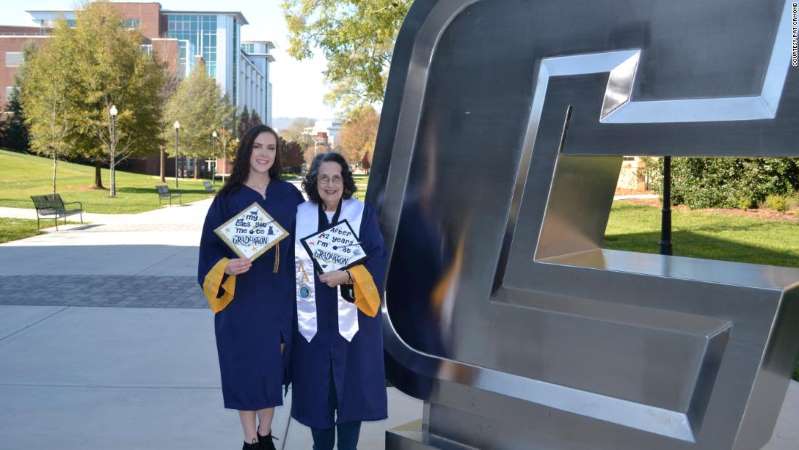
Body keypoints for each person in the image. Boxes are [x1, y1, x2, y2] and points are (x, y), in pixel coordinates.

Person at [198, 125, 304, 450]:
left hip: (280, 298)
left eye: (271, 148)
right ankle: (250, 440)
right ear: (247, 150)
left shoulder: (289, 195)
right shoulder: (228, 198)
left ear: (276, 154)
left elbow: (307, 241)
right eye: (258, 146)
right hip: (241, 300)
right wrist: (226, 266)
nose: (264, 154)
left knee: (272, 367)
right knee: (244, 368)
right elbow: (209, 251)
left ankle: (265, 434)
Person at [291, 152, 388, 450]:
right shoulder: (300, 215)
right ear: (314, 181)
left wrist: (346, 276)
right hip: (312, 323)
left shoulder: (362, 214)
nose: (330, 184)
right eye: (323, 178)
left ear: (345, 181)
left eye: (336, 178)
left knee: (351, 396)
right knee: (317, 395)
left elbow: (378, 259)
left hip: (353, 324)